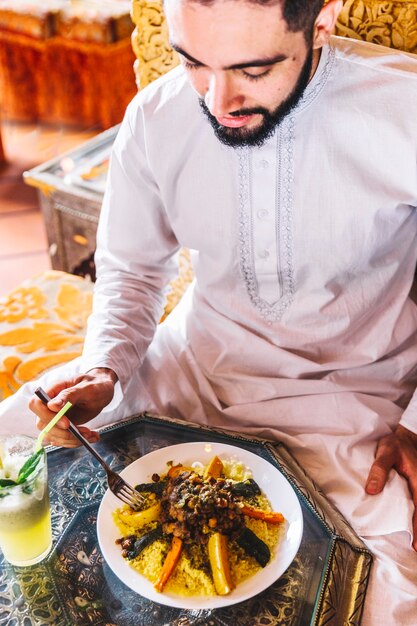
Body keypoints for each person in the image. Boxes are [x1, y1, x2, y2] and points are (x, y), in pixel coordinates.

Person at [1, 0, 417, 621]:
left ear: (321, 21)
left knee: (380, 597)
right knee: (18, 471)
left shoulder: (402, 107)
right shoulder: (157, 114)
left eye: (253, 69)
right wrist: (105, 367)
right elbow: (134, 269)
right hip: (191, 366)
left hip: (353, 392)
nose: (218, 100)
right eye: (192, 59)